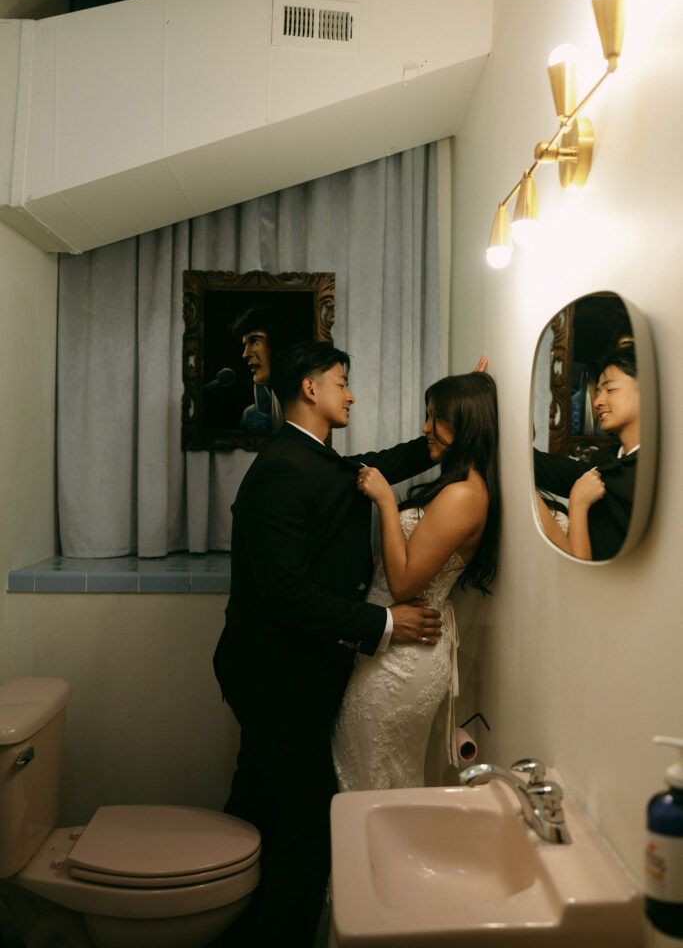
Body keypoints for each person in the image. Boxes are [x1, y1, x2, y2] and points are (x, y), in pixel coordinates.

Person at [212, 341, 444, 948]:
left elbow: (377, 465)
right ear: (310, 389)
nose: (351, 393)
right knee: (313, 823)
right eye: (342, 381)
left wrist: (449, 424)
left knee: (257, 809)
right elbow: (284, 593)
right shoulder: (281, 470)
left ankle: (230, 930)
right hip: (274, 679)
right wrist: (386, 625)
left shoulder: (314, 459)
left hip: (290, 675)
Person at [332, 370, 501, 792]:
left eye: (435, 417)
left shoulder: (465, 494)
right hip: (394, 646)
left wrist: (387, 500)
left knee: (372, 776)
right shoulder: (458, 485)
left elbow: (405, 582)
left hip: (405, 656)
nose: (426, 428)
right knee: (370, 769)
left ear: (464, 423)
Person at [534, 345, 640, 561]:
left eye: (610, 390)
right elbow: (540, 466)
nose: (597, 401)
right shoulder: (603, 460)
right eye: (598, 391)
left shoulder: (658, 472)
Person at [231, 303, 287, 430]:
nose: (245, 354)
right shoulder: (251, 416)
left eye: (255, 341)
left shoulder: (310, 410)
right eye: (245, 345)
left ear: (278, 343)